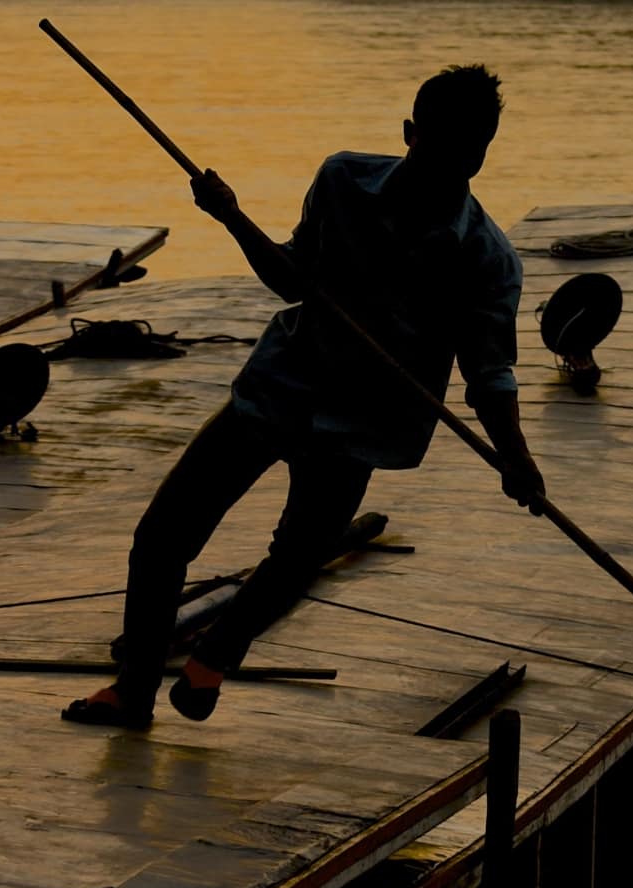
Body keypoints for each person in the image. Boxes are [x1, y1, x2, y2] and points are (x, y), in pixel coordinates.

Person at [63, 63, 543, 729]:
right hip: (281, 387)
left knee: (297, 556)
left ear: (485, 152)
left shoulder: (486, 259)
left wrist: (515, 456)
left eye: (471, 150)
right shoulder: (343, 180)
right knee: (163, 535)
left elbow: (489, 375)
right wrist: (231, 217)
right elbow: (291, 279)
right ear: (410, 132)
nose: (454, 163)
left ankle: (215, 656)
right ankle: (134, 691)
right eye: (442, 144)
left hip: (363, 424)